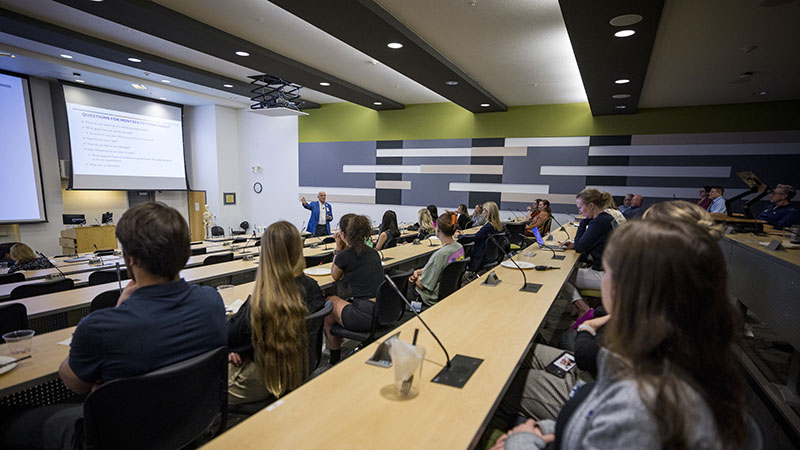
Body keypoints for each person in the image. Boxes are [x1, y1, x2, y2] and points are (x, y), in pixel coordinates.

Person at [493, 220, 747, 450]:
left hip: (574, 411)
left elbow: (604, 418)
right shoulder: (684, 339)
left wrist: (522, 439)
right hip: (581, 408)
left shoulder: (639, 408)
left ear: (630, 288)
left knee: (500, 382)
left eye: (607, 271)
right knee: (515, 357)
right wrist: (544, 430)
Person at [0, 202, 227, 450]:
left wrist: (119, 315)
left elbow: (74, 383)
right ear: (186, 252)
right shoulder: (211, 301)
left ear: (130, 258)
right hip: (191, 425)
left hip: (116, 438)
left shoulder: (101, 328)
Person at [226, 221, 326, 404]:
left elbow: (230, 336)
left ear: (266, 253)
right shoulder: (312, 288)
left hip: (267, 379)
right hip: (301, 368)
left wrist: (237, 349)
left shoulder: (263, 299)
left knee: (202, 377)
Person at [324, 215, 384, 365]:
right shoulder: (373, 253)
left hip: (364, 316)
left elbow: (335, 275)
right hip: (383, 312)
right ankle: (338, 348)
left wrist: (338, 247)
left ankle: (334, 358)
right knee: (334, 310)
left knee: (328, 302)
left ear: (343, 235)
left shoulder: (344, 256)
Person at [559, 189, 616, 316]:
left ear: (591, 206)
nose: (579, 212)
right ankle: (579, 309)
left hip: (605, 276)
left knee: (560, 278)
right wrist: (575, 244)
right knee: (569, 273)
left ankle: (584, 310)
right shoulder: (607, 218)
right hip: (612, 272)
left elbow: (580, 247)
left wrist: (583, 223)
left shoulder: (599, 222)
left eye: (580, 208)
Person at [408, 212, 465, 307]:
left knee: (401, 281)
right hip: (449, 291)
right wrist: (420, 271)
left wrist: (415, 278)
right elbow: (442, 268)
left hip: (431, 297)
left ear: (437, 229)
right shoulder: (459, 247)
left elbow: (422, 285)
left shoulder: (440, 255)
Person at [466, 201, 503, 272]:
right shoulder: (497, 225)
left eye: (484, 210)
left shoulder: (488, 227)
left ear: (488, 212)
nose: (482, 212)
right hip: (491, 256)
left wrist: (460, 235)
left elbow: (474, 237)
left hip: (480, 256)